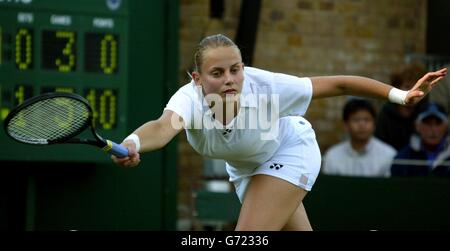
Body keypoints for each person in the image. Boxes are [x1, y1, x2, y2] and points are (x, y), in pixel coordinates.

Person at [112, 34, 447, 230]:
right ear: (197, 79)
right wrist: (133, 142)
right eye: (216, 73)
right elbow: (161, 127)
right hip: (247, 169)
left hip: (290, 151)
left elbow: (342, 83)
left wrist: (402, 96)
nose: (229, 79)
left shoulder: (268, 87)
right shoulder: (189, 101)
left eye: (235, 69)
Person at [322, 98, 396, 177]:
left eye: (366, 120)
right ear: (346, 125)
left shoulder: (389, 154)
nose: (362, 125)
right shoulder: (332, 156)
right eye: (356, 120)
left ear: (374, 124)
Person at [375, 63, 428, 151]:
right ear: (397, 88)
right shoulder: (386, 112)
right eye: (407, 87)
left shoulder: (424, 111)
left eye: (416, 87)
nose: (412, 92)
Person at [391, 102, 450, 177]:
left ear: (446, 126)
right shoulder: (403, 158)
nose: (433, 129)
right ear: (417, 126)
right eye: (427, 123)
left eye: (438, 123)